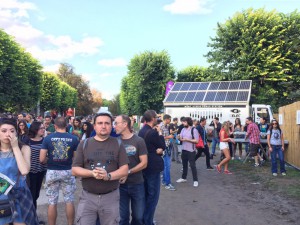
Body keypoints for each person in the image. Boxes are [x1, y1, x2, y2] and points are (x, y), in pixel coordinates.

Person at [72, 113, 129, 225]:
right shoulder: (84, 144)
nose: (103, 126)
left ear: (111, 126)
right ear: (94, 126)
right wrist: (92, 173)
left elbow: (124, 169)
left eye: (107, 123)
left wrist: (108, 176)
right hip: (87, 198)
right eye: (100, 123)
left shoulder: (118, 144)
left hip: (111, 198)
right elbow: (74, 169)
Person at [40, 117, 79, 225]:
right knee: (69, 200)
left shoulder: (48, 138)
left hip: (52, 171)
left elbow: (42, 159)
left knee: (52, 202)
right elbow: (76, 159)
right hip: (68, 171)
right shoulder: (74, 139)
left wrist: (50, 159)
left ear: (55, 126)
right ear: (66, 125)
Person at [0, 118, 39, 225]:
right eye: (4, 131)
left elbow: (24, 170)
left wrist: (15, 147)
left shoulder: (24, 148)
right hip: (1, 195)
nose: (8, 134)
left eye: (12, 131)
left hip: (20, 194)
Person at [114, 115, 148, 225]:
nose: (114, 126)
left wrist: (127, 172)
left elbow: (144, 163)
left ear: (125, 124)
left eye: (116, 123)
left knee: (138, 217)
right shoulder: (115, 142)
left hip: (137, 184)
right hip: (120, 186)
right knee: (122, 218)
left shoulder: (139, 141)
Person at [138, 110, 165, 225]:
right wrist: (160, 133)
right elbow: (162, 145)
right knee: (153, 195)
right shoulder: (153, 132)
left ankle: (143, 218)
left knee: (145, 194)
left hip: (143, 166)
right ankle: (148, 221)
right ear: (153, 119)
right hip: (153, 166)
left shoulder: (141, 131)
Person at [27, 121, 47, 224]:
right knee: (32, 196)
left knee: (36, 195)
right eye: (41, 128)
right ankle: (33, 219)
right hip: (30, 173)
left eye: (44, 128)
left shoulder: (45, 141)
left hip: (41, 171)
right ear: (35, 129)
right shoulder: (27, 141)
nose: (43, 130)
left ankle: (33, 218)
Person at [176, 117, 199, 187]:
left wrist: (187, 140)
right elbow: (181, 138)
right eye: (183, 122)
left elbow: (196, 141)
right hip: (184, 149)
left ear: (188, 122)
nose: (183, 123)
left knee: (192, 165)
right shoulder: (183, 129)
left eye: (184, 122)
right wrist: (179, 137)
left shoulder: (194, 130)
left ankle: (195, 180)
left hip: (191, 150)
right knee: (184, 164)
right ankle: (183, 178)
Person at [160, 114, 176, 191]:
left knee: (165, 166)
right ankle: (168, 183)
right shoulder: (161, 126)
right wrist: (168, 137)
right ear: (166, 119)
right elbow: (159, 137)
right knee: (167, 166)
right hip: (164, 148)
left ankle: (164, 181)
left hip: (166, 147)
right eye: (170, 119)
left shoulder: (166, 126)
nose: (170, 121)